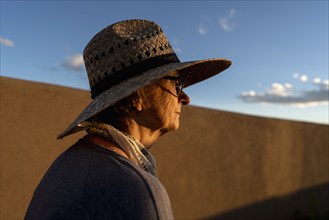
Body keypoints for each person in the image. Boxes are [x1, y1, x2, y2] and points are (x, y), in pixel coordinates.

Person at [25, 19, 231, 219]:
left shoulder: (67, 165)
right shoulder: (136, 190)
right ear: (136, 97)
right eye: (176, 84)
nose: (185, 99)